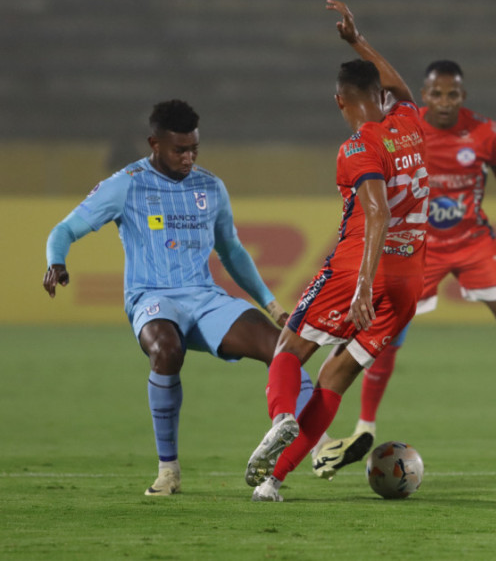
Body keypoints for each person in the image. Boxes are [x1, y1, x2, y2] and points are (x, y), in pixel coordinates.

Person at [43, 99, 314, 496]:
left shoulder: (210, 187)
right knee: (167, 350)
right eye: (179, 150)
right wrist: (57, 261)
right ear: (154, 144)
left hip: (205, 299)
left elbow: (232, 252)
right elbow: (64, 230)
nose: (188, 158)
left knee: (284, 348)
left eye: (194, 149)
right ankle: (168, 470)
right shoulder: (126, 184)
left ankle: (302, 436)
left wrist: (272, 306)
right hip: (151, 297)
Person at [311, 59, 496, 479]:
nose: (445, 101)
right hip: (418, 246)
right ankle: (365, 423)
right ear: (423, 95)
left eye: (453, 94)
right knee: (386, 336)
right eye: (437, 94)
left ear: (463, 96)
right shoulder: (406, 128)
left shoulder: (487, 133)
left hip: (472, 239)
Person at [245, 0, 429, 502]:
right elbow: (402, 89)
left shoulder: (357, 148)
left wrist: (363, 284)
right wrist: (358, 41)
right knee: (336, 377)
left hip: (357, 270)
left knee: (289, 349)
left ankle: (282, 417)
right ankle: (273, 482)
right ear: (381, 96)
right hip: (408, 283)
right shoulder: (410, 123)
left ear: (339, 101)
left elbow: (377, 213)